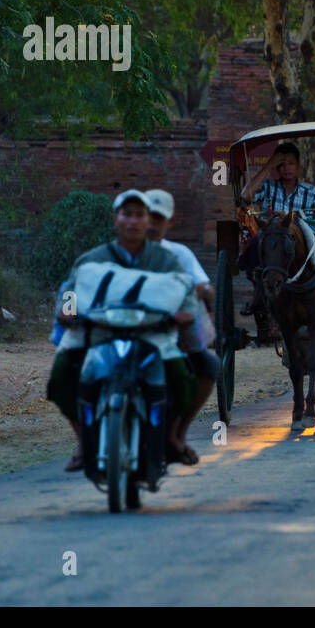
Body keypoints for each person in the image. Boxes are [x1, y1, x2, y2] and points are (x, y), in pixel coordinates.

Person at [45, 190, 203, 472]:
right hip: (99, 335)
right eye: (126, 214)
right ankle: (84, 442)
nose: (133, 221)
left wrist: (185, 312)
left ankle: (168, 438)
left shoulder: (165, 260)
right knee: (60, 378)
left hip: (152, 336)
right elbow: (70, 291)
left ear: (147, 221)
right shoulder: (92, 259)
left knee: (182, 380)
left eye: (139, 215)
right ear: (115, 219)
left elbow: (186, 292)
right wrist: (67, 310)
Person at [145, 189, 218, 463]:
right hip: (125, 330)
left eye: (157, 218)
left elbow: (205, 288)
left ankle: (177, 434)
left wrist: (199, 291)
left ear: (169, 222)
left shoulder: (178, 254)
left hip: (168, 332)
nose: (151, 224)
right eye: (146, 217)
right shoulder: (119, 251)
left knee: (207, 366)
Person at [237, 142, 315, 341]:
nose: (287, 168)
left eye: (291, 163)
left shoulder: (311, 193)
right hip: (271, 243)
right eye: (282, 164)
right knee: (256, 244)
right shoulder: (268, 187)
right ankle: (261, 289)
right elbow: (245, 197)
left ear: (299, 165)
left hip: (298, 245)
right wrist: (268, 166)